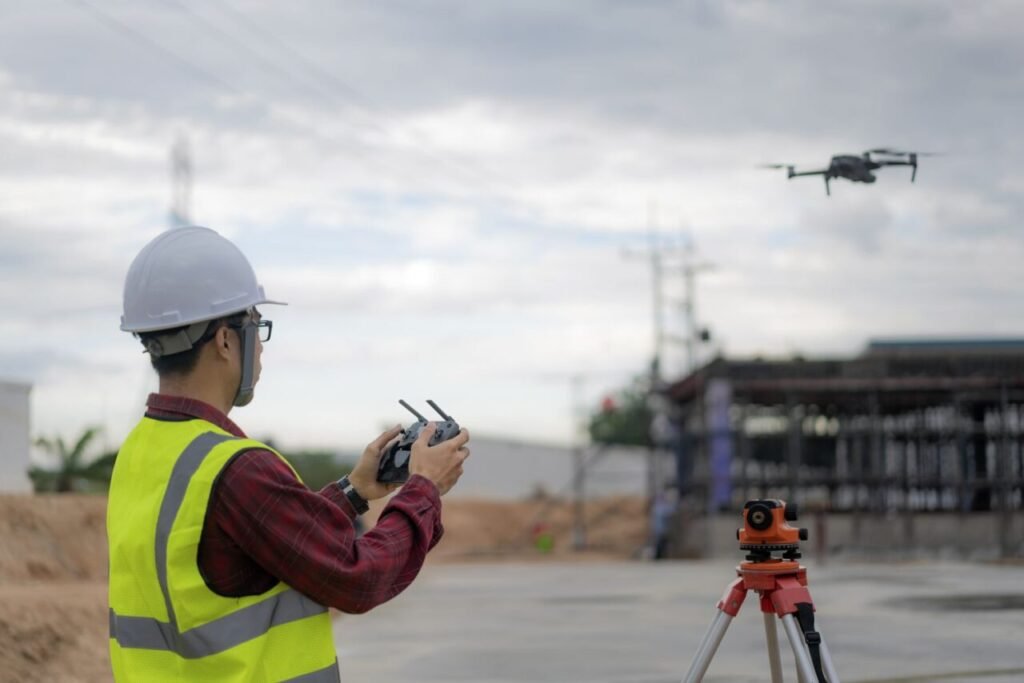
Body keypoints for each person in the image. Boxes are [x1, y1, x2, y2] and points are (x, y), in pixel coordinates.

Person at [107, 226, 471, 682]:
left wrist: (353, 492)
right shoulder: (237, 467)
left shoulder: (142, 451)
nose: (260, 346)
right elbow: (358, 579)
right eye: (256, 327)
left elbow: (241, 549)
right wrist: (423, 490)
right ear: (224, 340)